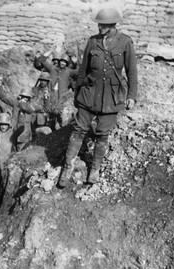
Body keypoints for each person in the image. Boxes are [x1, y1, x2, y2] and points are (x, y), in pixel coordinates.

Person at [58, 7, 137, 187]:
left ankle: (95, 169)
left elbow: (132, 72)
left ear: (112, 25)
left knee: (102, 134)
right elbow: (83, 70)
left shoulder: (125, 42)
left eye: (103, 25)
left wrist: (132, 96)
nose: (100, 27)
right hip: (89, 93)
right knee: (78, 129)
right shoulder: (92, 42)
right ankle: (67, 168)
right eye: (99, 24)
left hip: (111, 96)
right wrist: (78, 93)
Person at [0, 75, 37, 151]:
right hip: (13, 133)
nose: (24, 99)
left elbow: (30, 112)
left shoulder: (30, 107)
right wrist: (0, 85)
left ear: (29, 99)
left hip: (24, 136)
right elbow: (4, 97)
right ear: (20, 97)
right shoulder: (16, 103)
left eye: (26, 98)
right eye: (23, 97)